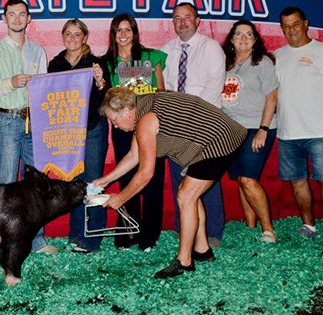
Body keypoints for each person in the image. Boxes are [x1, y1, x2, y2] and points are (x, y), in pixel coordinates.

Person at [95, 88, 247, 278]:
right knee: (189, 193)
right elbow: (133, 156)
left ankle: (184, 262)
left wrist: (121, 198)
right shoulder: (142, 110)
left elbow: (145, 173)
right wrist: (105, 180)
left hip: (219, 139)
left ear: (127, 111)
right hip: (210, 139)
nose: (115, 127)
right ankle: (202, 250)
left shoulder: (145, 120)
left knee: (186, 196)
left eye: (115, 121)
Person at [0, 0, 56, 254]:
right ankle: (2, 241)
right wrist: (10, 82)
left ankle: (36, 241)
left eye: (21, 14)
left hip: (33, 120)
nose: (16, 19)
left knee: (36, 182)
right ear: (4, 18)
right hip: (6, 119)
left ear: (29, 19)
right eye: (11, 14)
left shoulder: (38, 51)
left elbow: (45, 88)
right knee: (7, 183)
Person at [276, 6, 323, 248]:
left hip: (320, 132)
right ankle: (308, 225)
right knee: (297, 181)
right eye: (286, 26)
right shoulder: (276, 56)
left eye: (296, 24)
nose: (291, 30)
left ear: (306, 24)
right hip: (287, 132)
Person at [160, 2, 226, 247]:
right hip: (175, 125)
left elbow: (214, 85)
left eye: (188, 17)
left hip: (204, 123)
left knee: (205, 179)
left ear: (198, 21)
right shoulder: (166, 50)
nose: (182, 22)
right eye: (177, 18)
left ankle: (213, 232)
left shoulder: (211, 48)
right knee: (180, 180)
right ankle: (185, 229)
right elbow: (164, 86)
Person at [102, 13, 167, 251]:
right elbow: (107, 97)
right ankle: (128, 231)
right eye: (118, 30)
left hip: (151, 123)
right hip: (122, 128)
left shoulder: (151, 57)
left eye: (127, 29)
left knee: (152, 179)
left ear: (135, 32)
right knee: (127, 177)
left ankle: (150, 235)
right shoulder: (107, 62)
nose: (123, 34)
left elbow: (161, 90)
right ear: (113, 35)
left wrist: (145, 106)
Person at [47, 19, 109, 254]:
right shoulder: (56, 64)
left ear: (85, 37)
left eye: (77, 34)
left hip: (92, 129)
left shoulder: (95, 62)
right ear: (63, 37)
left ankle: (92, 238)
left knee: (93, 183)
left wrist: (100, 80)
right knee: (73, 184)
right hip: (66, 133)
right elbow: (49, 96)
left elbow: (108, 95)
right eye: (68, 34)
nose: (72, 39)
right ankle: (76, 234)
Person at [220, 20, 278, 243]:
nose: (243, 38)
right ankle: (250, 225)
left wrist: (263, 129)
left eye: (249, 34)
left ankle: (268, 229)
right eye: (238, 34)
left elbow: (272, 97)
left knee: (248, 178)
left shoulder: (262, 62)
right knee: (241, 179)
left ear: (255, 40)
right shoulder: (226, 64)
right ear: (231, 39)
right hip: (232, 130)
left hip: (257, 127)